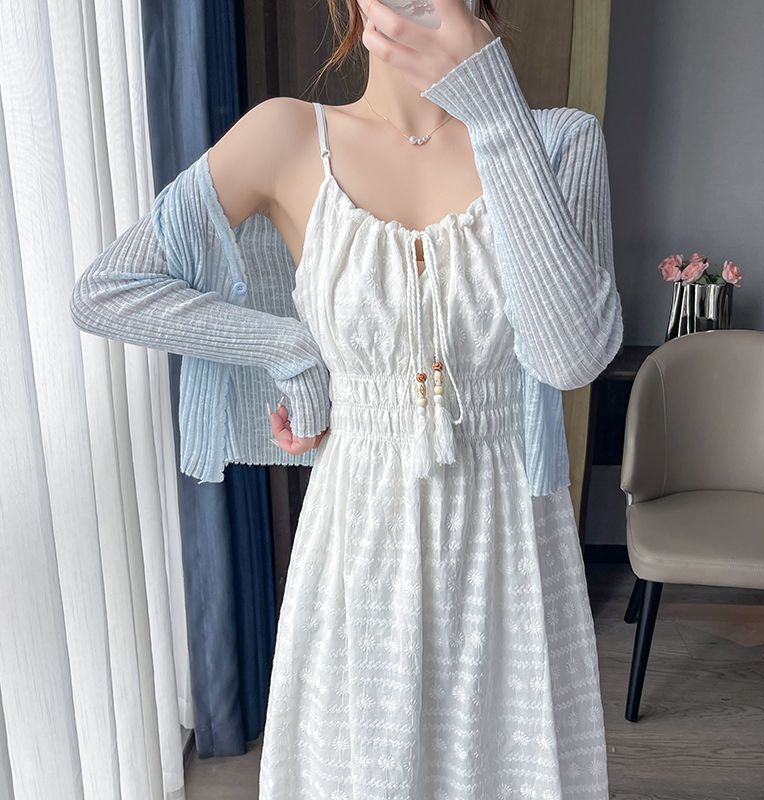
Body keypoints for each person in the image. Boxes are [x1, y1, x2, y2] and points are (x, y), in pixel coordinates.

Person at [71, 0, 623, 797]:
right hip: (360, 534)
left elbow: (571, 357)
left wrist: (496, 106)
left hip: (510, 539)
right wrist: (285, 345)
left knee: (506, 769)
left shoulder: (560, 141)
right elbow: (109, 290)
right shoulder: (288, 137)